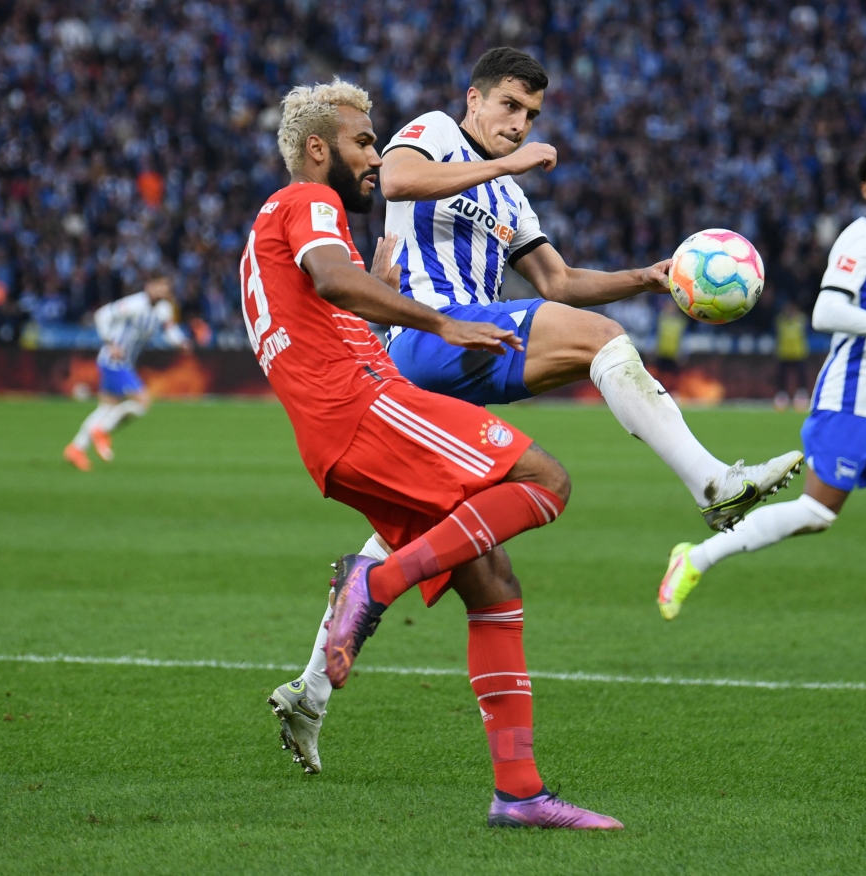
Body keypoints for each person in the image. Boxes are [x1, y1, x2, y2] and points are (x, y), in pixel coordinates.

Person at [253, 79, 622, 829]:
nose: (375, 157)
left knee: (492, 585)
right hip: (365, 412)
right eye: (363, 142)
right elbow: (330, 278)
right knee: (546, 482)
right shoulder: (306, 201)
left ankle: (518, 795)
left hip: (335, 435)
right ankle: (377, 582)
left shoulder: (277, 225)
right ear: (318, 148)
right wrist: (438, 321)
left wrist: (375, 293)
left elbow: (321, 300)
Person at [378, 47, 802, 533]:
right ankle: (713, 483)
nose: (520, 125)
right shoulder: (438, 131)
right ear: (474, 99)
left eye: (531, 115)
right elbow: (396, 179)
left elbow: (559, 281)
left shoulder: (512, 200)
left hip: (470, 346)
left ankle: (360, 584)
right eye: (509, 106)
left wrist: (643, 278)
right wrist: (503, 167)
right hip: (424, 335)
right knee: (601, 338)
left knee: (467, 550)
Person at [657, 143, 866, 683]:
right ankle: (696, 558)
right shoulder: (860, 240)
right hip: (848, 403)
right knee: (817, 514)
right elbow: (827, 311)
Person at [63, 276, 191, 471]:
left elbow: (169, 329)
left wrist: (180, 342)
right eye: (159, 286)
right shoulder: (133, 304)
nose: (162, 290)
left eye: (166, 287)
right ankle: (102, 431)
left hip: (125, 363)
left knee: (106, 408)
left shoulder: (163, 309)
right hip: (113, 361)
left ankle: (76, 448)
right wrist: (110, 343)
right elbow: (101, 315)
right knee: (143, 401)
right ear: (149, 286)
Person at [773, 299, 810, 410]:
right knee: (782, 377)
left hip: (799, 353)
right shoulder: (779, 320)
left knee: (801, 376)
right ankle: (782, 396)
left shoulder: (802, 319)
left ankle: (802, 396)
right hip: (783, 353)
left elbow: (808, 333)